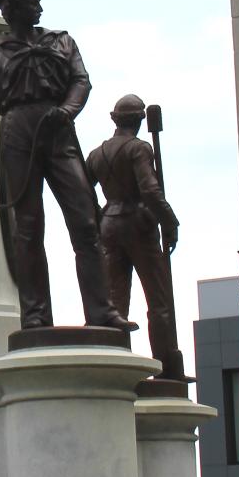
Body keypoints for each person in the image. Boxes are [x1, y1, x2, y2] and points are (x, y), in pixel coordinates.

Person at [0, 0, 134, 331]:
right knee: (27, 228)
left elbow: (81, 80)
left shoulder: (61, 41)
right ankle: (35, 314)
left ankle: (101, 310)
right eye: (32, 1)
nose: (40, 6)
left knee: (86, 221)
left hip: (58, 130)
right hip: (17, 132)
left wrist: (67, 111)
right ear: (12, 8)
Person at [86, 95, 185, 380]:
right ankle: (167, 367)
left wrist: (100, 216)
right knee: (159, 299)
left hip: (110, 226)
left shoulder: (97, 154)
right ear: (140, 121)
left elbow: (82, 191)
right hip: (139, 225)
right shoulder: (140, 149)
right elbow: (151, 192)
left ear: (115, 119)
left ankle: (115, 363)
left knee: (115, 301)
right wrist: (170, 221)